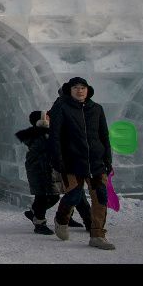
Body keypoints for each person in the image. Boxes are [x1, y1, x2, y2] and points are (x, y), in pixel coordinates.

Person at [48, 77, 117, 250]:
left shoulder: (97, 109)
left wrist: (107, 159)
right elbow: (55, 137)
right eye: (76, 88)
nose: (80, 91)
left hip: (96, 162)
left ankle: (97, 235)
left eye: (83, 87)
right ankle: (61, 219)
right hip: (72, 163)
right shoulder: (61, 108)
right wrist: (58, 161)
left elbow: (104, 136)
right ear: (69, 90)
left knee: (101, 197)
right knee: (74, 196)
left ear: (88, 90)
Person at [15, 110, 90, 235]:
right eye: (46, 118)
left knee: (53, 195)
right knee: (45, 197)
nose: (49, 120)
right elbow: (47, 149)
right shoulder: (39, 135)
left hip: (49, 170)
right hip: (40, 171)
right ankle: (39, 222)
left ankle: (37, 214)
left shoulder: (46, 134)